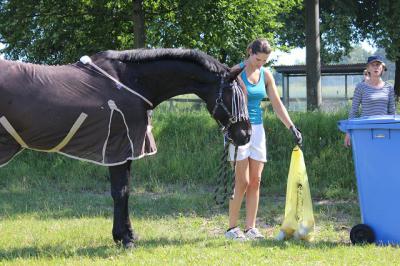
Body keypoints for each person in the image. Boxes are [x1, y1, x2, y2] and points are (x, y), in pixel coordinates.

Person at [224, 38, 302, 240]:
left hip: (257, 130)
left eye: (264, 61)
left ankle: (250, 228)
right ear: (250, 51)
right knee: (242, 181)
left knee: (256, 181)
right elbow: (222, 97)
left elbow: (276, 104)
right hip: (238, 130)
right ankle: (232, 228)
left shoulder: (266, 74)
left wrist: (291, 126)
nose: (260, 64)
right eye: (258, 59)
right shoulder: (236, 72)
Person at [344, 55, 396, 147]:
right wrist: (348, 132)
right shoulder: (361, 87)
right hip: (365, 130)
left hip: (384, 130)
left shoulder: (389, 87)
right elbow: (354, 111)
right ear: (368, 68)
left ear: (382, 68)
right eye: (373, 65)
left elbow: (392, 112)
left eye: (378, 64)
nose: (376, 67)